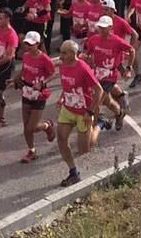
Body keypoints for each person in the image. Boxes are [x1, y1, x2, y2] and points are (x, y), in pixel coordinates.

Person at [56, 40, 103, 187]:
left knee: (85, 149)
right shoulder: (62, 66)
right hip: (67, 109)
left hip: (83, 112)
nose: (60, 56)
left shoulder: (83, 68)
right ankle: (73, 172)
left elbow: (99, 90)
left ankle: (99, 125)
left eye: (64, 53)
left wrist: (90, 111)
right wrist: (62, 97)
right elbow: (66, 84)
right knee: (61, 140)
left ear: (73, 53)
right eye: (60, 52)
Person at [8, 31, 57, 163]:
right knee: (26, 127)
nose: (28, 46)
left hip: (39, 94)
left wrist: (42, 83)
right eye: (26, 44)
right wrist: (15, 80)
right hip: (27, 91)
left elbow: (53, 73)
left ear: (38, 44)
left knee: (32, 127)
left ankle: (47, 126)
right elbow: (24, 69)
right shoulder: (25, 56)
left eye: (31, 44)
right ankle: (31, 151)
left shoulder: (44, 59)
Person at [82, 15, 135, 131]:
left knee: (96, 102)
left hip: (110, 77)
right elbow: (88, 54)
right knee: (107, 102)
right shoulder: (94, 39)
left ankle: (92, 130)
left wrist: (129, 68)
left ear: (111, 28)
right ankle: (119, 113)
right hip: (96, 75)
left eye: (104, 27)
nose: (101, 29)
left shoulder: (117, 41)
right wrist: (85, 58)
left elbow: (131, 50)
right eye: (100, 27)